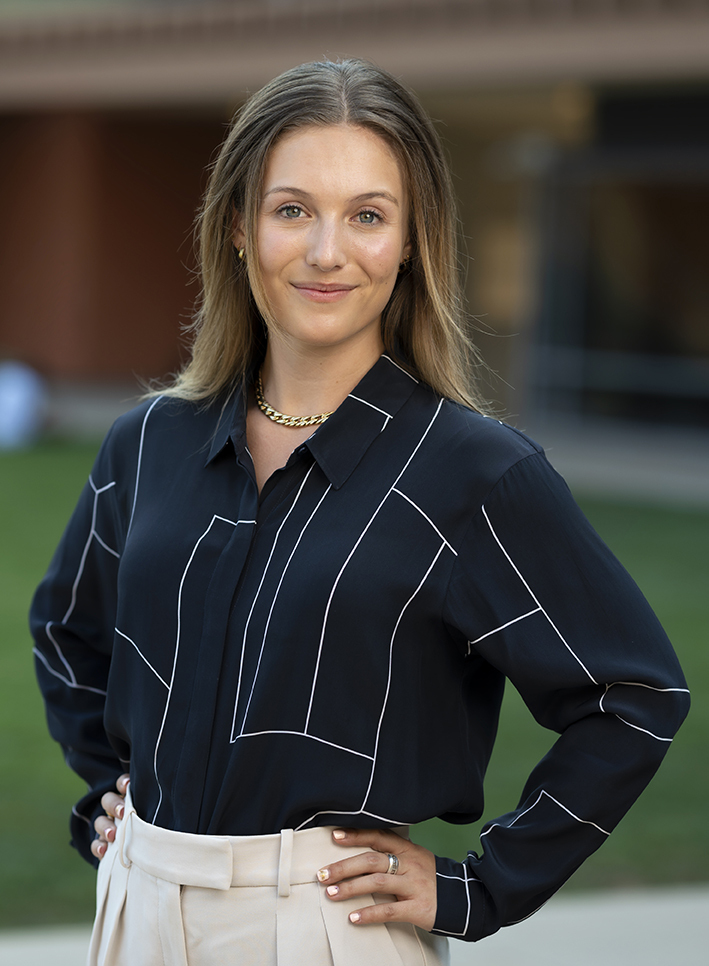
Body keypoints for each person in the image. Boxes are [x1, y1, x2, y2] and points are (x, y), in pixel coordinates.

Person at [31, 59, 689, 966]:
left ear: (413, 242)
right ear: (236, 228)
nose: (326, 251)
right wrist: (108, 785)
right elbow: (66, 630)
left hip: (328, 929)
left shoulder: (474, 474)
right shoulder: (148, 443)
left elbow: (634, 695)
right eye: (291, 209)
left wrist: (480, 885)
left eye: (368, 216)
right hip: (137, 906)